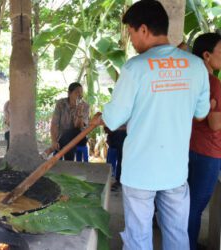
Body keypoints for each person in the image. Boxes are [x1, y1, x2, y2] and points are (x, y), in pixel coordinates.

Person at [90, 1, 210, 249]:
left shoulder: (135, 68)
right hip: (175, 170)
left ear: (143, 29)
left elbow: (114, 119)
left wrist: (102, 115)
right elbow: (201, 113)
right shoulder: (196, 66)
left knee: (138, 238)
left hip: (140, 172)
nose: (132, 41)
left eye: (132, 33)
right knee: (177, 235)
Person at [188, 32, 221, 250]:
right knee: (195, 207)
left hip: (191, 148)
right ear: (207, 55)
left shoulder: (191, 78)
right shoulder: (214, 83)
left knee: (188, 204)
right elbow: (215, 124)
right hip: (209, 152)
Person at [50, 82, 89, 161]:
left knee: (73, 132)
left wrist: (79, 113)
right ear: (69, 93)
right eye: (77, 92)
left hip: (79, 137)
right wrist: (54, 141)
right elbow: (54, 124)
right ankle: (69, 163)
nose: (80, 95)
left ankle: (62, 161)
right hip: (63, 138)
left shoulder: (85, 106)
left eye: (81, 93)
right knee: (68, 141)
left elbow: (78, 127)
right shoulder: (61, 104)